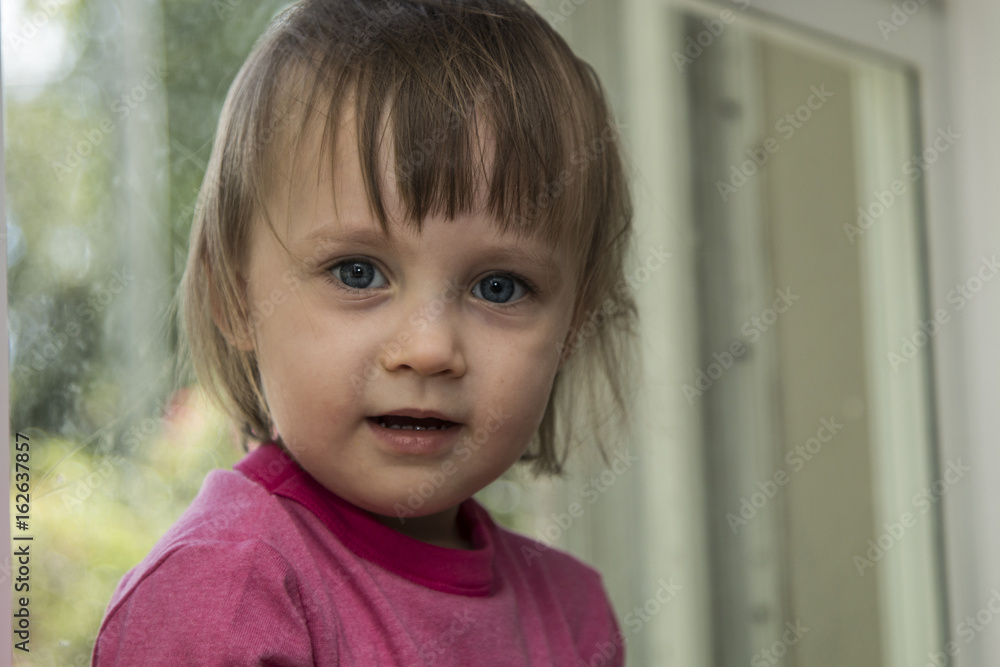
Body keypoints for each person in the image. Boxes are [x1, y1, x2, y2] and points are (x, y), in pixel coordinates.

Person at [93, 0, 637, 663]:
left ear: (572, 328)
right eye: (357, 272)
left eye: (499, 286)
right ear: (234, 297)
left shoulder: (576, 616)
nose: (430, 349)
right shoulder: (225, 595)